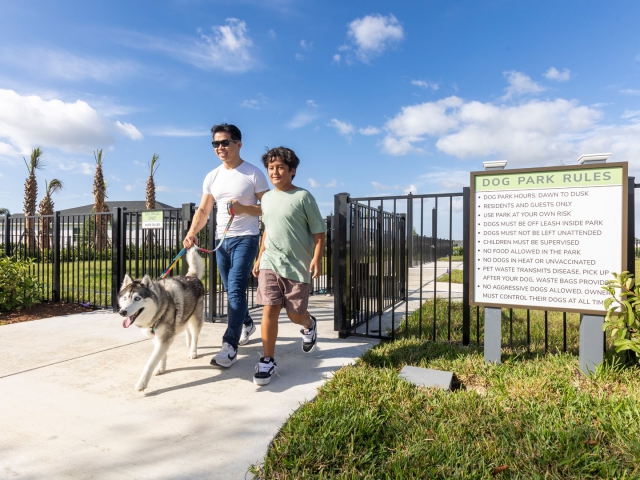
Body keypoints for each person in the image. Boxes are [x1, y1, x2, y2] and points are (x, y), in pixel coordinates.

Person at [183, 123, 269, 367]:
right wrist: (191, 233)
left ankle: (229, 346)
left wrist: (243, 209)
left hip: (247, 238)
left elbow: (268, 206)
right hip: (221, 242)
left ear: (238, 144)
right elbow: (203, 209)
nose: (220, 147)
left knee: (235, 289)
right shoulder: (212, 176)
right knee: (231, 291)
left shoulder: (253, 173)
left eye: (225, 142)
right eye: (216, 143)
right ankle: (247, 323)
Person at [251, 146, 326, 385]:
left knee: (295, 314)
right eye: (271, 168)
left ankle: (308, 324)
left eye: (280, 167)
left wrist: (316, 258)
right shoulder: (267, 199)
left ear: (292, 171)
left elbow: (319, 231)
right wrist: (260, 256)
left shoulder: (303, 197)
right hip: (270, 262)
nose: (275, 172)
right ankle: (267, 360)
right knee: (269, 309)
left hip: (296, 265)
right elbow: (267, 231)